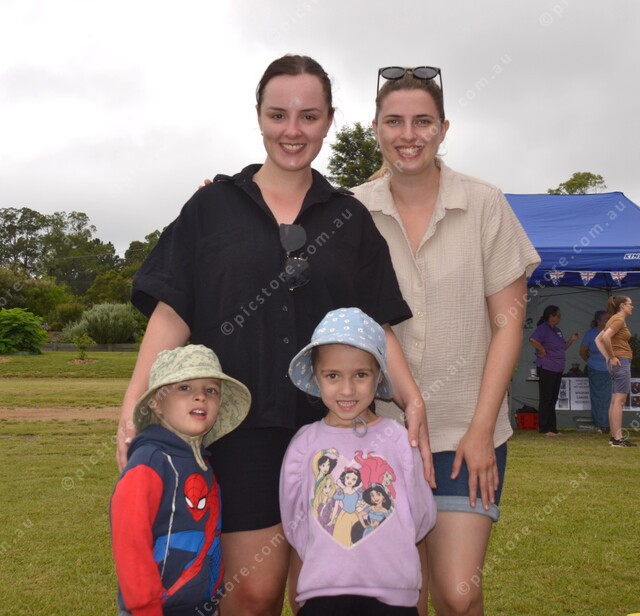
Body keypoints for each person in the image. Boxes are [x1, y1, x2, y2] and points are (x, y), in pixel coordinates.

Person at [117, 55, 432, 616]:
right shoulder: (212, 207)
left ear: (329, 119)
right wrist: (133, 403)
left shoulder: (349, 218)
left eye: (309, 116)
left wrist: (411, 401)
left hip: (337, 432)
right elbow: (171, 312)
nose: (293, 130)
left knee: (325, 593)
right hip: (241, 429)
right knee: (254, 593)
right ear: (259, 115)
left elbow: (377, 322)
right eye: (278, 114)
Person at [350, 67, 540, 615]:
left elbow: (508, 324)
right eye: (394, 121)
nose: (408, 134)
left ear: (443, 128)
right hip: (380, 434)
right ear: (376, 129)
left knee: (459, 593)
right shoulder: (350, 210)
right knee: (401, 594)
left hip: (466, 431)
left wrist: (482, 429)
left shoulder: (485, 203)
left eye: (423, 121)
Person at [280, 307, 436, 615]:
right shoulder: (303, 445)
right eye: (333, 376)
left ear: (379, 377)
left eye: (361, 375)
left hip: (392, 597)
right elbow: (295, 520)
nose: (347, 389)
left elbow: (420, 514)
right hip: (323, 595)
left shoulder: (399, 440)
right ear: (316, 377)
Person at [110, 344, 251, 615]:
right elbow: (130, 541)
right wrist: (145, 607)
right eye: (185, 388)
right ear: (156, 402)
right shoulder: (150, 462)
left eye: (211, 390)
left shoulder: (202, 463)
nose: (200, 397)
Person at [529, 306, 580, 435]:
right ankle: (544, 427)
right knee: (546, 398)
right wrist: (542, 350)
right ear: (551, 316)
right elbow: (533, 340)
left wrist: (572, 339)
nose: (559, 318)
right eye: (558, 315)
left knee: (553, 398)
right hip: (547, 367)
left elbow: (563, 347)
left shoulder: (557, 330)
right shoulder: (543, 328)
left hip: (557, 368)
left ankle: (552, 427)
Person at [595, 296, 636, 447]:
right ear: (622, 306)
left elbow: (598, 339)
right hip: (621, 362)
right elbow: (605, 337)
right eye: (630, 304)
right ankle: (618, 438)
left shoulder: (613, 319)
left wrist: (608, 357)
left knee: (614, 401)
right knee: (620, 401)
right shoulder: (618, 320)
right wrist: (611, 357)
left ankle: (614, 437)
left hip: (617, 363)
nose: (632, 306)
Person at [579, 310, 611, 432]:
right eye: (606, 320)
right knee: (597, 396)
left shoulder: (612, 332)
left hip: (610, 370)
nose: (609, 322)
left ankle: (605, 423)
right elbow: (582, 352)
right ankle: (600, 423)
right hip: (595, 370)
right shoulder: (590, 334)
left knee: (607, 396)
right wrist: (590, 362)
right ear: (598, 321)